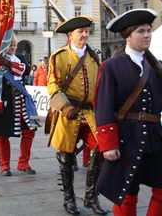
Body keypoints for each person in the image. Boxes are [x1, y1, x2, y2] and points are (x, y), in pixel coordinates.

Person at [94, 8, 162, 216]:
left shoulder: (156, 65)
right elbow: (103, 106)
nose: (147, 35)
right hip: (126, 139)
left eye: (149, 30)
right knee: (127, 195)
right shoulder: (111, 66)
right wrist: (108, 144)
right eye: (141, 31)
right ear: (128, 35)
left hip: (155, 139)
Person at [47, 16, 107, 215]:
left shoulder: (94, 56)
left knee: (99, 153)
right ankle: (69, 198)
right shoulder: (59, 56)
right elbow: (52, 85)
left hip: (90, 115)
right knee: (67, 159)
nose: (84, 34)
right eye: (80, 31)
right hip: (68, 115)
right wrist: (64, 106)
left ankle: (91, 196)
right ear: (70, 34)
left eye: (87, 31)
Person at [0, 34, 40, 177]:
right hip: (4, 101)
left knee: (29, 131)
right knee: (3, 135)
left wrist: (9, 63)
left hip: (21, 99)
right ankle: (4, 165)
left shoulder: (20, 58)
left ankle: (24, 163)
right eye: (10, 45)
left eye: (15, 45)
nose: (13, 47)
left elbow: (27, 71)